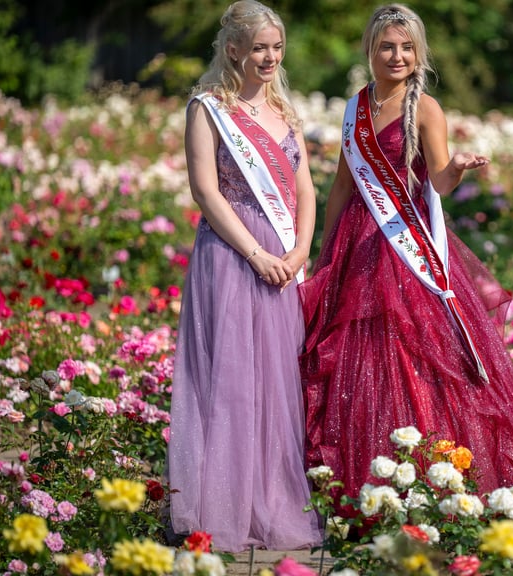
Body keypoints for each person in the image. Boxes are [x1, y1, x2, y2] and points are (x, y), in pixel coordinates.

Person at [300, 3, 513, 511]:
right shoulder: (354, 108)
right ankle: (363, 486)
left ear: (419, 53)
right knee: (357, 358)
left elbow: (436, 183)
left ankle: (432, 481)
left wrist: (454, 167)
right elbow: (343, 184)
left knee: (417, 354)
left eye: (406, 47)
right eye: (387, 45)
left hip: (404, 244)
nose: (397, 55)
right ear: (371, 49)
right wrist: (325, 251)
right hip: (356, 245)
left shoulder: (426, 108)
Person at [167, 0, 321, 552]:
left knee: (277, 384)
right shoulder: (207, 109)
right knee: (230, 384)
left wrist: (300, 249)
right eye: (259, 48)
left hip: (283, 260)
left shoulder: (285, 110)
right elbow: (206, 192)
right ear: (233, 48)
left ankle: (270, 499)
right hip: (232, 256)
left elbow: (305, 190)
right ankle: (222, 507)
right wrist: (257, 254)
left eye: (276, 47)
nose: (270, 58)